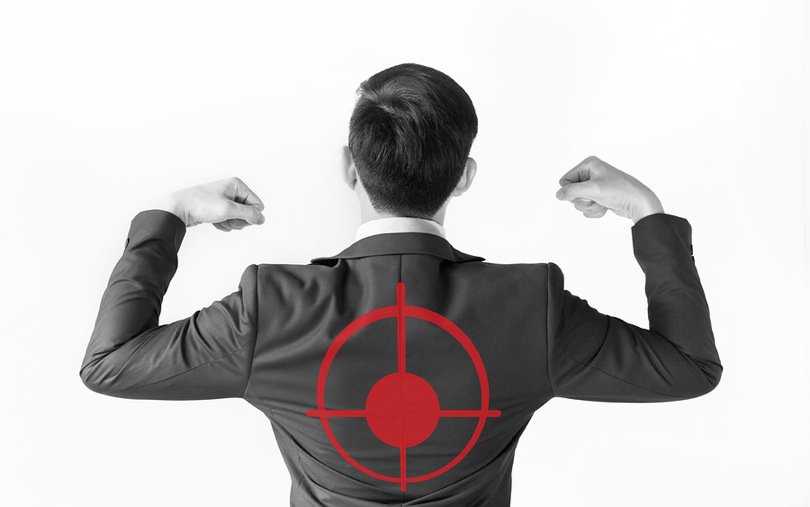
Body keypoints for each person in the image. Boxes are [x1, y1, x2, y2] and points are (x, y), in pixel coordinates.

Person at [80, 62, 722, 506]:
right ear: (464, 176)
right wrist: (648, 214)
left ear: (348, 168)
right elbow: (689, 367)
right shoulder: (531, 308)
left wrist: (172, 213)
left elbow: (110, 363)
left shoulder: (269, 308)